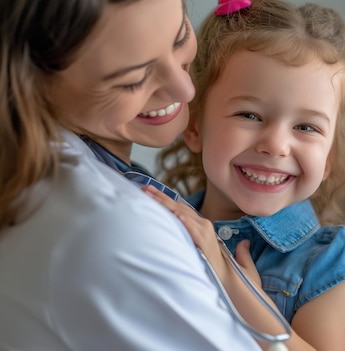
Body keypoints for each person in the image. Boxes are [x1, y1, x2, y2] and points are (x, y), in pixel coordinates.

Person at [0, 0, 291, 350]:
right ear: (34, 83)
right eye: (133, 80)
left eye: (181, 36)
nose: (186, 89)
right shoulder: (112, 229)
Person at [152, 0, 345, 350]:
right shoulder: (160, 224)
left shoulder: (331, 257)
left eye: (306, 126)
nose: (276, 145)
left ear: (329, 155)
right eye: (250, 115)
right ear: (195, 126)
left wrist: (242, 293)